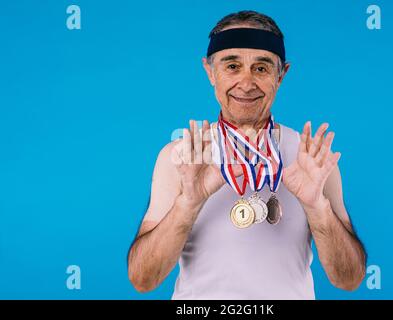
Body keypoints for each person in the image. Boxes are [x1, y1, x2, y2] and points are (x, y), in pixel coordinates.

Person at [128, 10, 366, 299]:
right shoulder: (181, 156)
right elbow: (142, 279)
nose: (246, 82)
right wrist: (188, 203)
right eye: (232, 66)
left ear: (282, 75)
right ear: (210, 72)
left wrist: (317, 206)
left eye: (262, 68)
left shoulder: (311, 157)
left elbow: (349, 279)